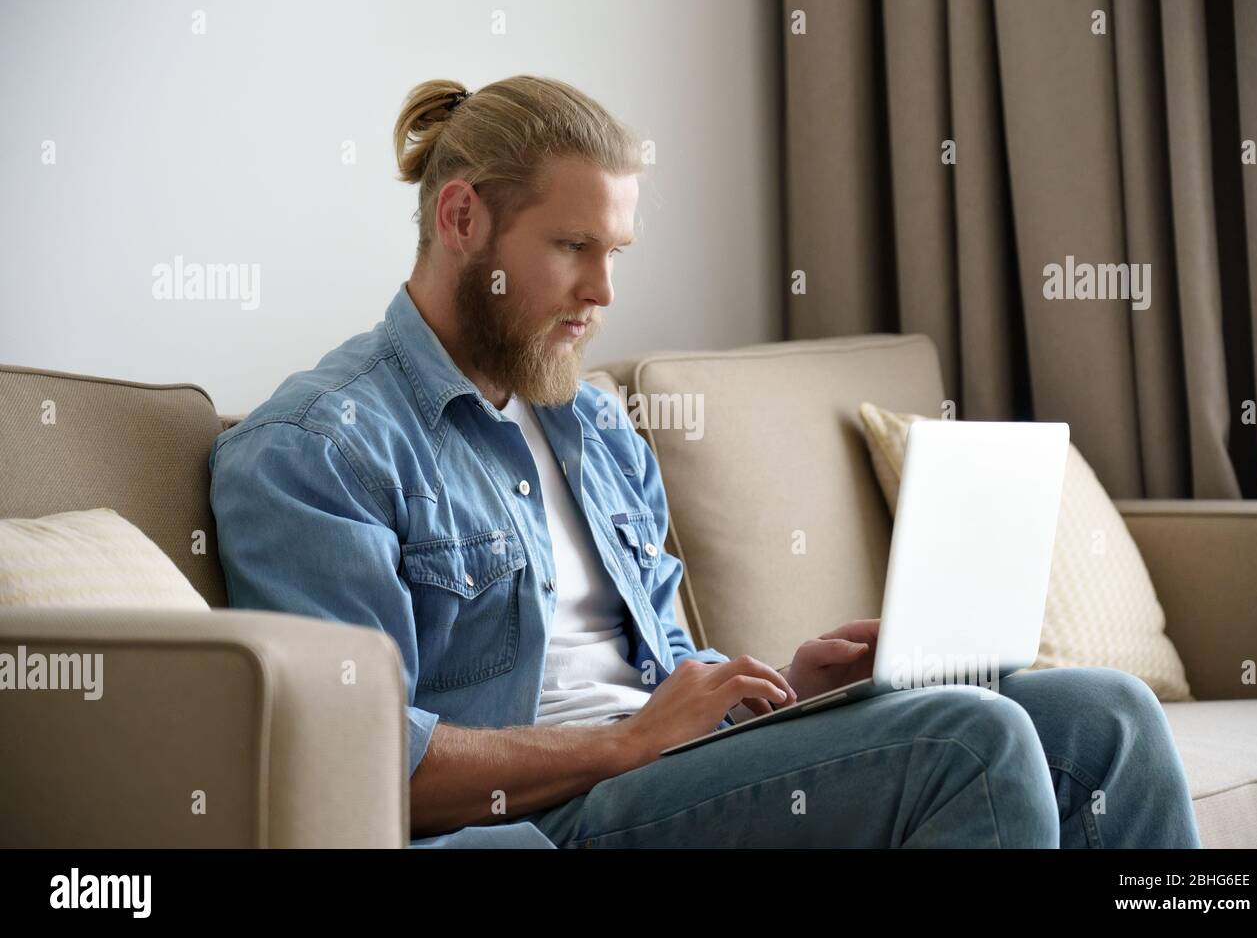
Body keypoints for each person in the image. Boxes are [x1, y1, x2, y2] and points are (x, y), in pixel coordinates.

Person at [208, 74, 1201, 848]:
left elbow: (656, 672)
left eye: (618, 253)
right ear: (462, 219)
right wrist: (628, 742)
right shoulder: (318, 449)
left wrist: (785, 694)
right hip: (540, 815)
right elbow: (360, 758)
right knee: (965, 740)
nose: (603, 289)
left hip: (658, 769)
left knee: (1100, 715)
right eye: (572, 246)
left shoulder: (590, 424)